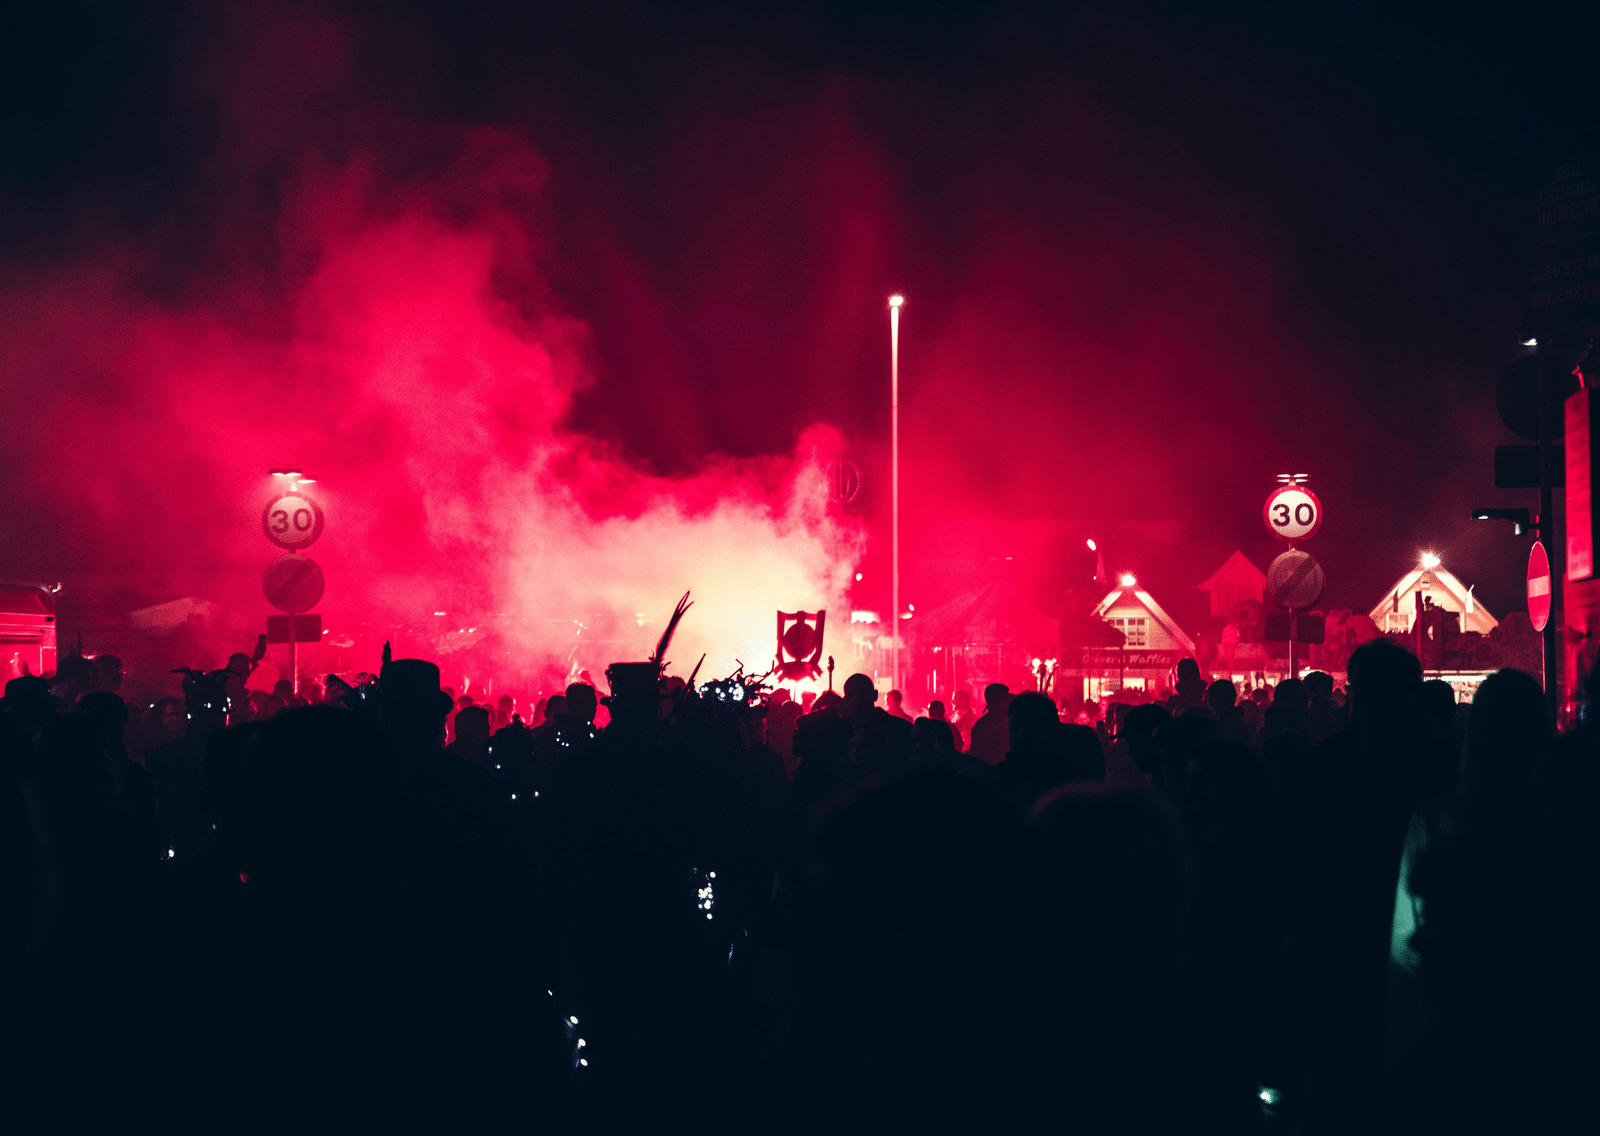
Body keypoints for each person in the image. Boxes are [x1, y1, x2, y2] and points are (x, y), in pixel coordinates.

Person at [966, 683, 1011, 766]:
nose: (1008, 701)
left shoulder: (982, 723)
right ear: (996, 700)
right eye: (1005, 697)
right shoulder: (986, 724)